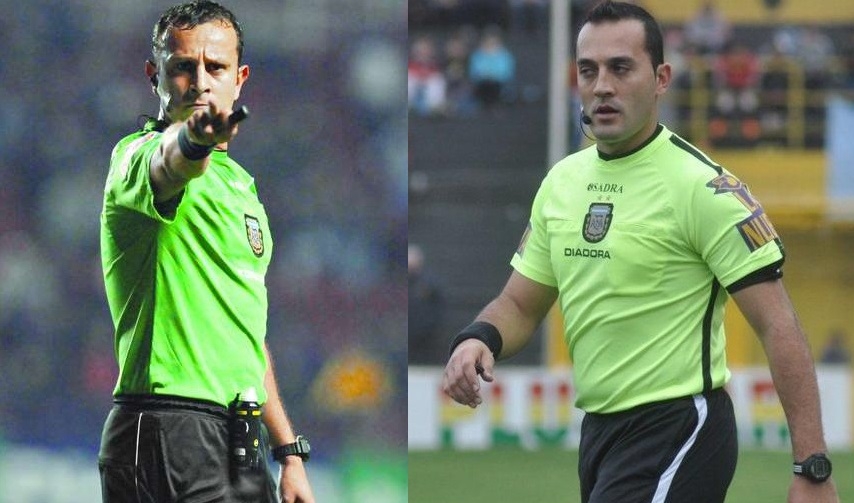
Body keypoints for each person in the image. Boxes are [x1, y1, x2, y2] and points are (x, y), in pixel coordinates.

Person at [442, 2, 839, 503]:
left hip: (680, 428)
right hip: (600, 435)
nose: (602, 86)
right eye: (589, 70)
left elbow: (777, 323)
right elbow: (520, 305)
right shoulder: (561, 183)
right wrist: (478, 338)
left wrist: (812, 468)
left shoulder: (703, 188)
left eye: (621, 68)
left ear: (661, 79)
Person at [98, 2, 315, 502]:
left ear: (239, 78)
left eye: (215, 67)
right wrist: (194, 142)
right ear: (154, 75)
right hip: (166, 429)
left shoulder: (241, 187)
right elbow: (170, 163)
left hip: (240, 438)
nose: (200, 82)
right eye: (182, 67)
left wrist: (288, 453)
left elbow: (246, 335)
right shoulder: (134, 157)